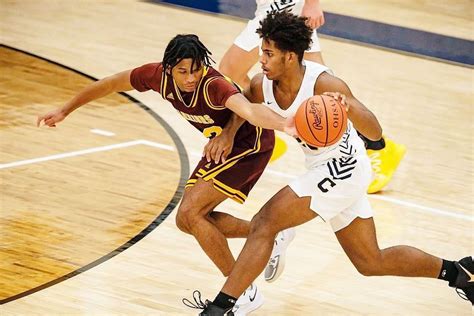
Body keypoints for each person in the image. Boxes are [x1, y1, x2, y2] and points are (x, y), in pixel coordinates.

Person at [192, 12, 473, 314]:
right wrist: (230, 135)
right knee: (370, 261)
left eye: (269, 53)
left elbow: (376, 135)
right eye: (262, 50)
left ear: (290, 56)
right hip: (319, 167)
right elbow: (243, 105)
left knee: (265, 222)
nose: (261, 59)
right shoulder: (263, 85)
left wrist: (348, 106)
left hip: (345, 166)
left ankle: (222, 307)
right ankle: (462, 273)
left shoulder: (323, 82)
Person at [36, 34, 297, 315]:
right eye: (183, 71)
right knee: (189, 220)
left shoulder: (212, 85)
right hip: (222, 144)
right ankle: (270, 234)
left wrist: (287, 125)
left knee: (190, 213)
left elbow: (248, 109)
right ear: (168, 68)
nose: (190, 78)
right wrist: (65, 109)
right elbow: (111, 83)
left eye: (196, 69)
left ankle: (242, 291)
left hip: (250, 143)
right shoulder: (155, 76)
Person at [219, 0, 406, 195]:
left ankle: (378, 146)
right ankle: (261, 131)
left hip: (283, 7)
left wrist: (312, 3)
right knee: (316, 84)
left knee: (229, 74)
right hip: (273, 8)